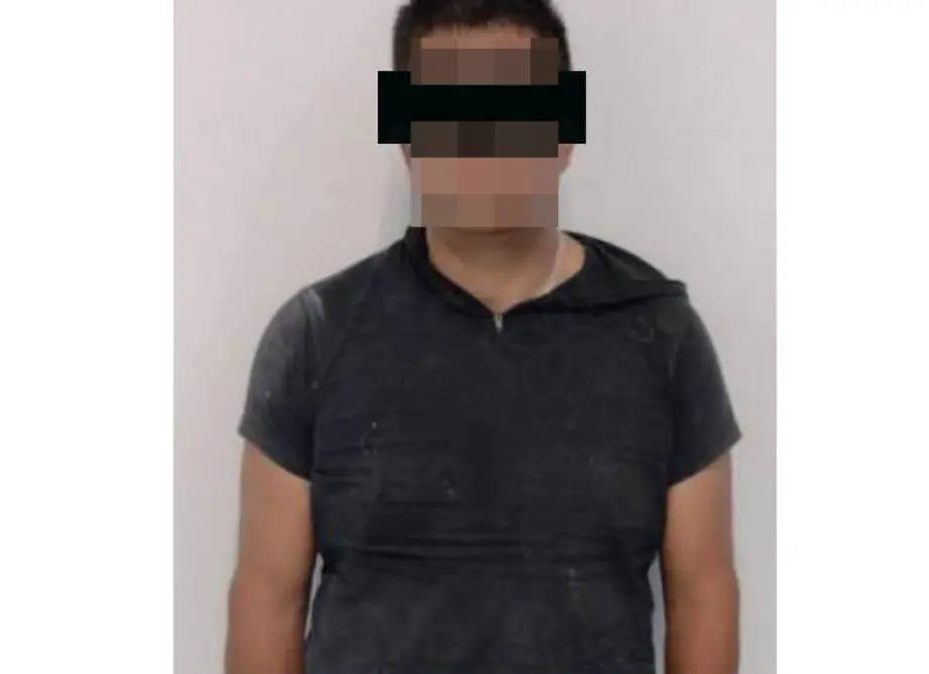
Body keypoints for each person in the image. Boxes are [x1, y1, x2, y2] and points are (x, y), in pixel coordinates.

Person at [226, 1, 742, 673]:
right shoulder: (316, 336)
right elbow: (267, 596)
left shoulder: (662, 336)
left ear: (564, 132)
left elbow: (703, 592)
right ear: (407, 139)